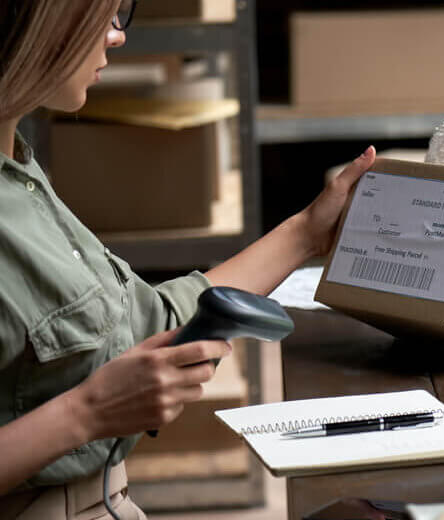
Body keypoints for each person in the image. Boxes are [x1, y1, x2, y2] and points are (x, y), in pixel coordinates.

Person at [0, 1, 377, 518]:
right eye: (103, 15)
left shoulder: (18, 174)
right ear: (37, 22)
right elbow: (96, 390)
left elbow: (148, 324)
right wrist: (86, 412)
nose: (116, 37)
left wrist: (308, 233)